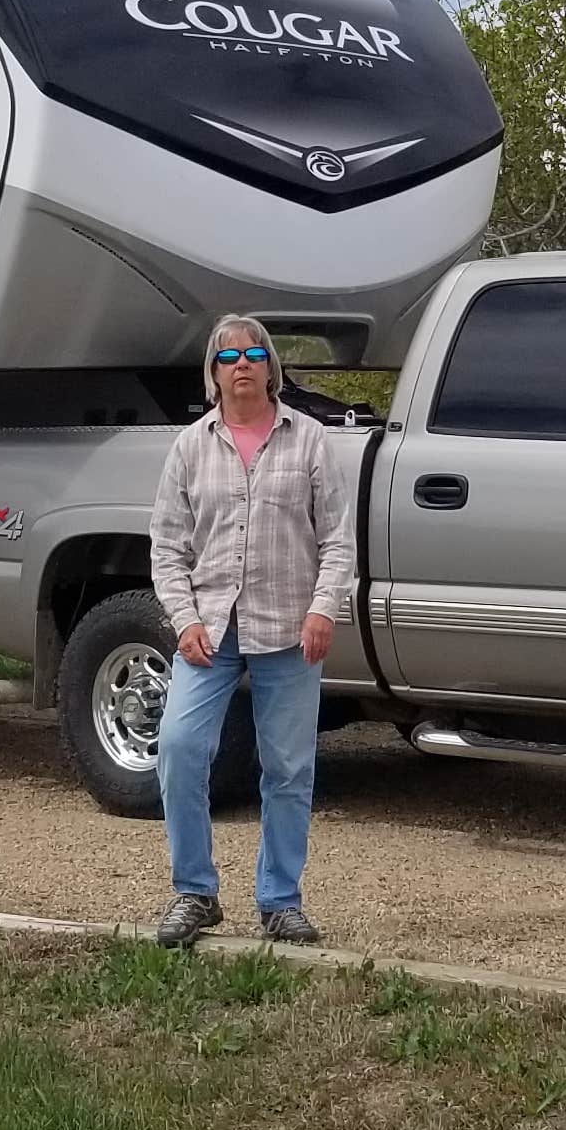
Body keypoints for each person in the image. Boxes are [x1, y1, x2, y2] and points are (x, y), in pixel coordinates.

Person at [144, 314, 355, 948]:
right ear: (213, 373)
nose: (242, 364)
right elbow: (167, 548)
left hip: (290, 630)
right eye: (229, 355)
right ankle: (195, 892)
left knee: (288, 767)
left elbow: (337, 540)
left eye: (255, 354)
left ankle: (280, 901)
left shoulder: (309, 441)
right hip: (210, 630)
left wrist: (323, 609)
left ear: (271, 369)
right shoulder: (189, 447)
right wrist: (183, 619)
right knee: (179, 748)